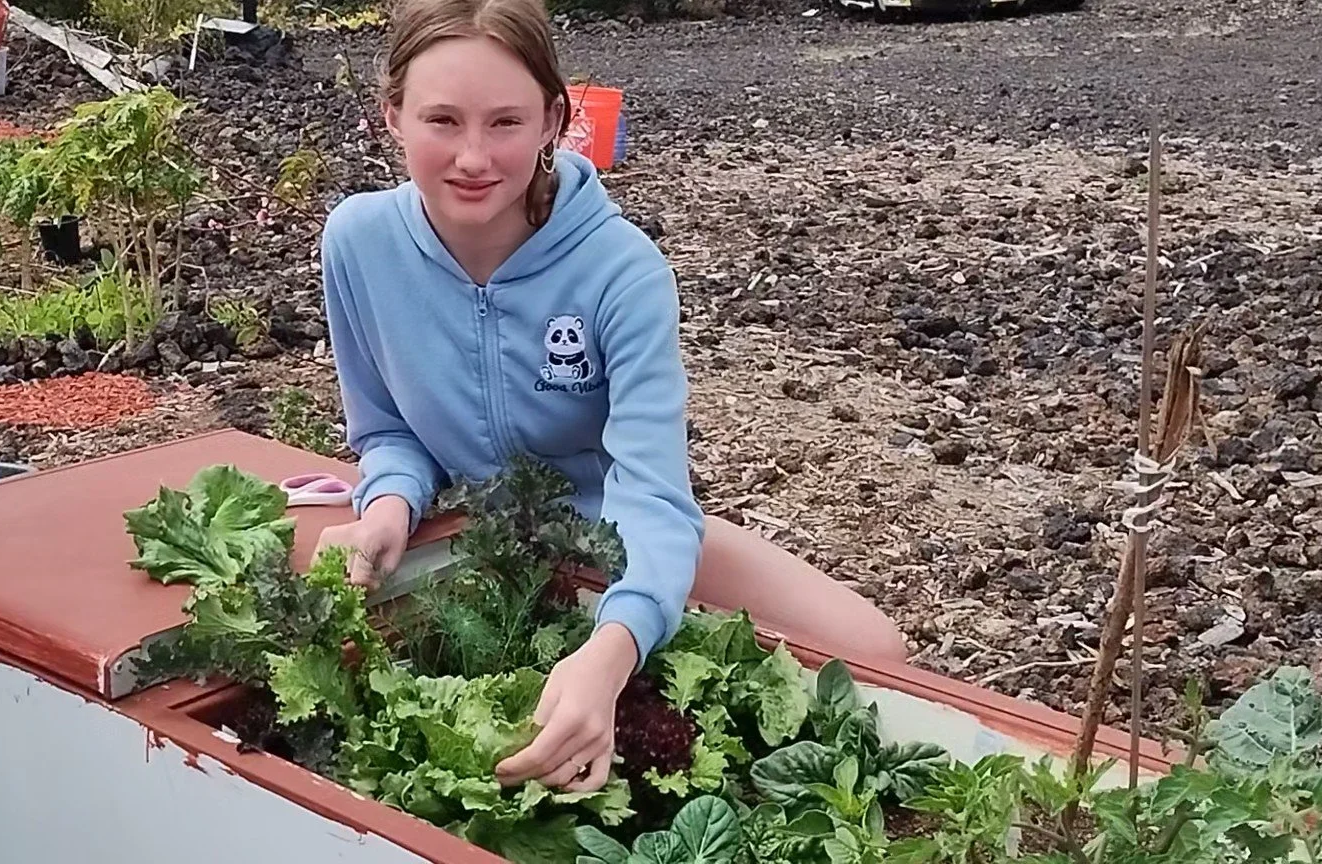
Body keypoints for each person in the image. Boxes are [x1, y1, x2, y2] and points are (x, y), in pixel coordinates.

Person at [312, 0, 908, 796]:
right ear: (391, 115)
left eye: (506, 122)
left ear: (554, 118)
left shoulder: (621, 273)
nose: (473, 156)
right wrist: (388, 508)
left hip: (615, 535)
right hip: (472, 541)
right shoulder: (359, 243)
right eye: (442, 120)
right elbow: (387, 430)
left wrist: (612, 647)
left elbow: (655, 498)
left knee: (879, 658)